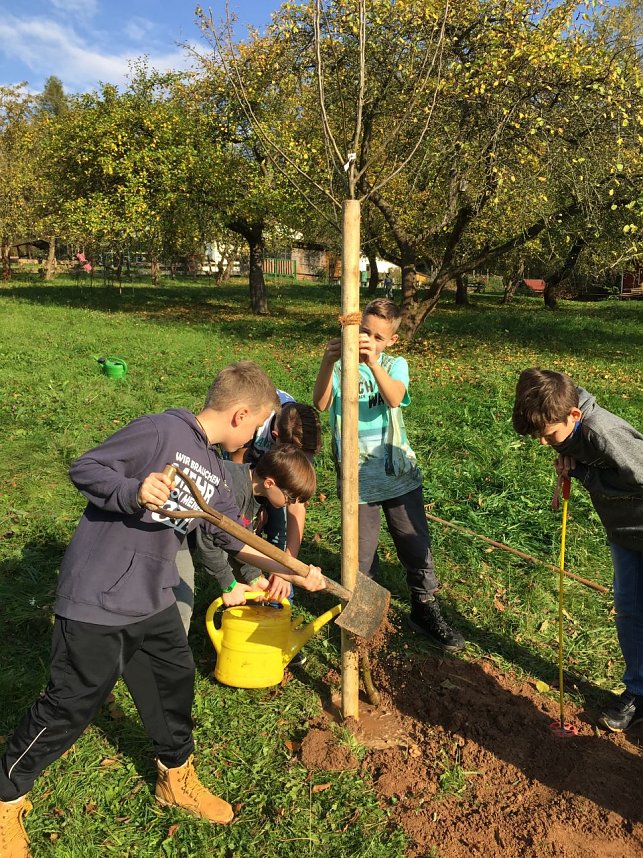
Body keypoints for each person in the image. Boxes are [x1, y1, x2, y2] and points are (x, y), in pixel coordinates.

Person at [0, 361, 325, 856]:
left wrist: (296, 570)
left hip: (150, 600)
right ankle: (6, 796)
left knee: (173, 680)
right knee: (70, 703)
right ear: (241, 415)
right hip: (97, 597)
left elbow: (226, 536)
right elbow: (85, 467)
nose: (260, 434)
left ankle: (175, 778)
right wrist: (134, 491)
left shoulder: (213, 470)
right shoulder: (160, 431)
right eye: (260, 423)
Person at [313, 298, 465, 652]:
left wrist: (373, 362)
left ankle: (424, 609)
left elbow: (395, 398)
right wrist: (328, 360)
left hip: (398, 477)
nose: (368, 340)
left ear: (391, 341)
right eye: (363, 332)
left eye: (378, 337)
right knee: (360, 558)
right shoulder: (340, 369)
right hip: (358, 482)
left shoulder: (395, 364)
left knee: (414, 546)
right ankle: (364, 622)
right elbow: (320, 404)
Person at [512, 367, 643, 732]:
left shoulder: (605, 434)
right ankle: (639, 691)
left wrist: (586, 472)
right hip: (624, 534)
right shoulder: (565, 423)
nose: (543, 442)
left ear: (574, 415)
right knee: (630, 610)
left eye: (548, 435)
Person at [174, 444, 317, 634]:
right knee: (180, 606)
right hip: (172, 533)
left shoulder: (255, 493)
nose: (290, 505)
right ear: (269, 483)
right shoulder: (235, 488)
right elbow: (208, 540)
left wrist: (253, 576)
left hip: (189, 532)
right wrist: (228, 583)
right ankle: (167, 654)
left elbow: (241, 537)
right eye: (289, 499)